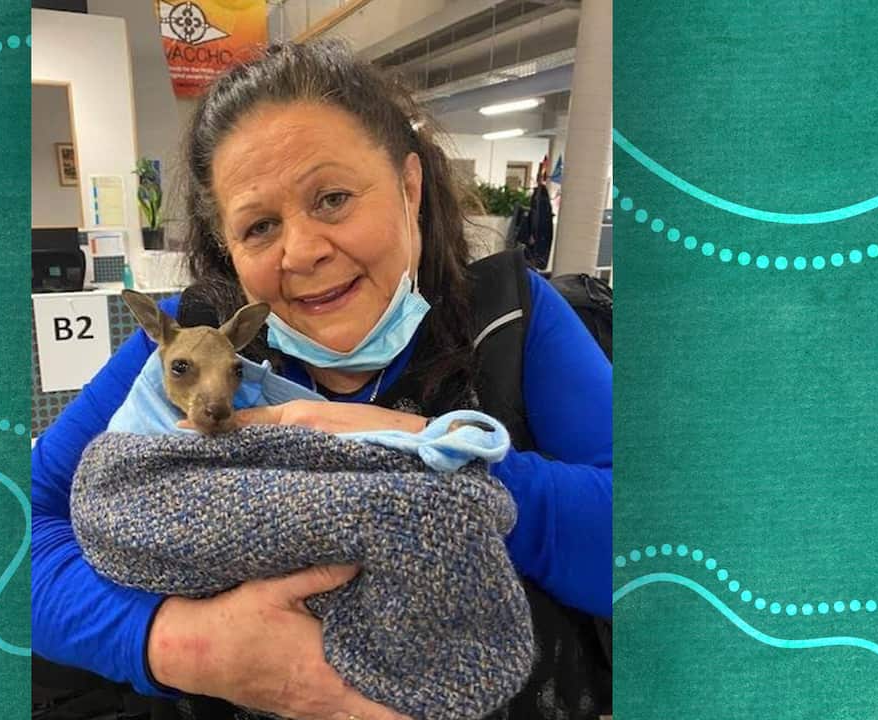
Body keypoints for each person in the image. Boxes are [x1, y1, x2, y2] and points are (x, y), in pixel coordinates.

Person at [31, 39, 612, 720]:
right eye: (259, 226)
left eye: (333, 198)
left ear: (409, 187)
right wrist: (177, 644)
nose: (303, 251)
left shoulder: (510, 320)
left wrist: (422, 452)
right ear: (228, 246)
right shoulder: (188, 341)